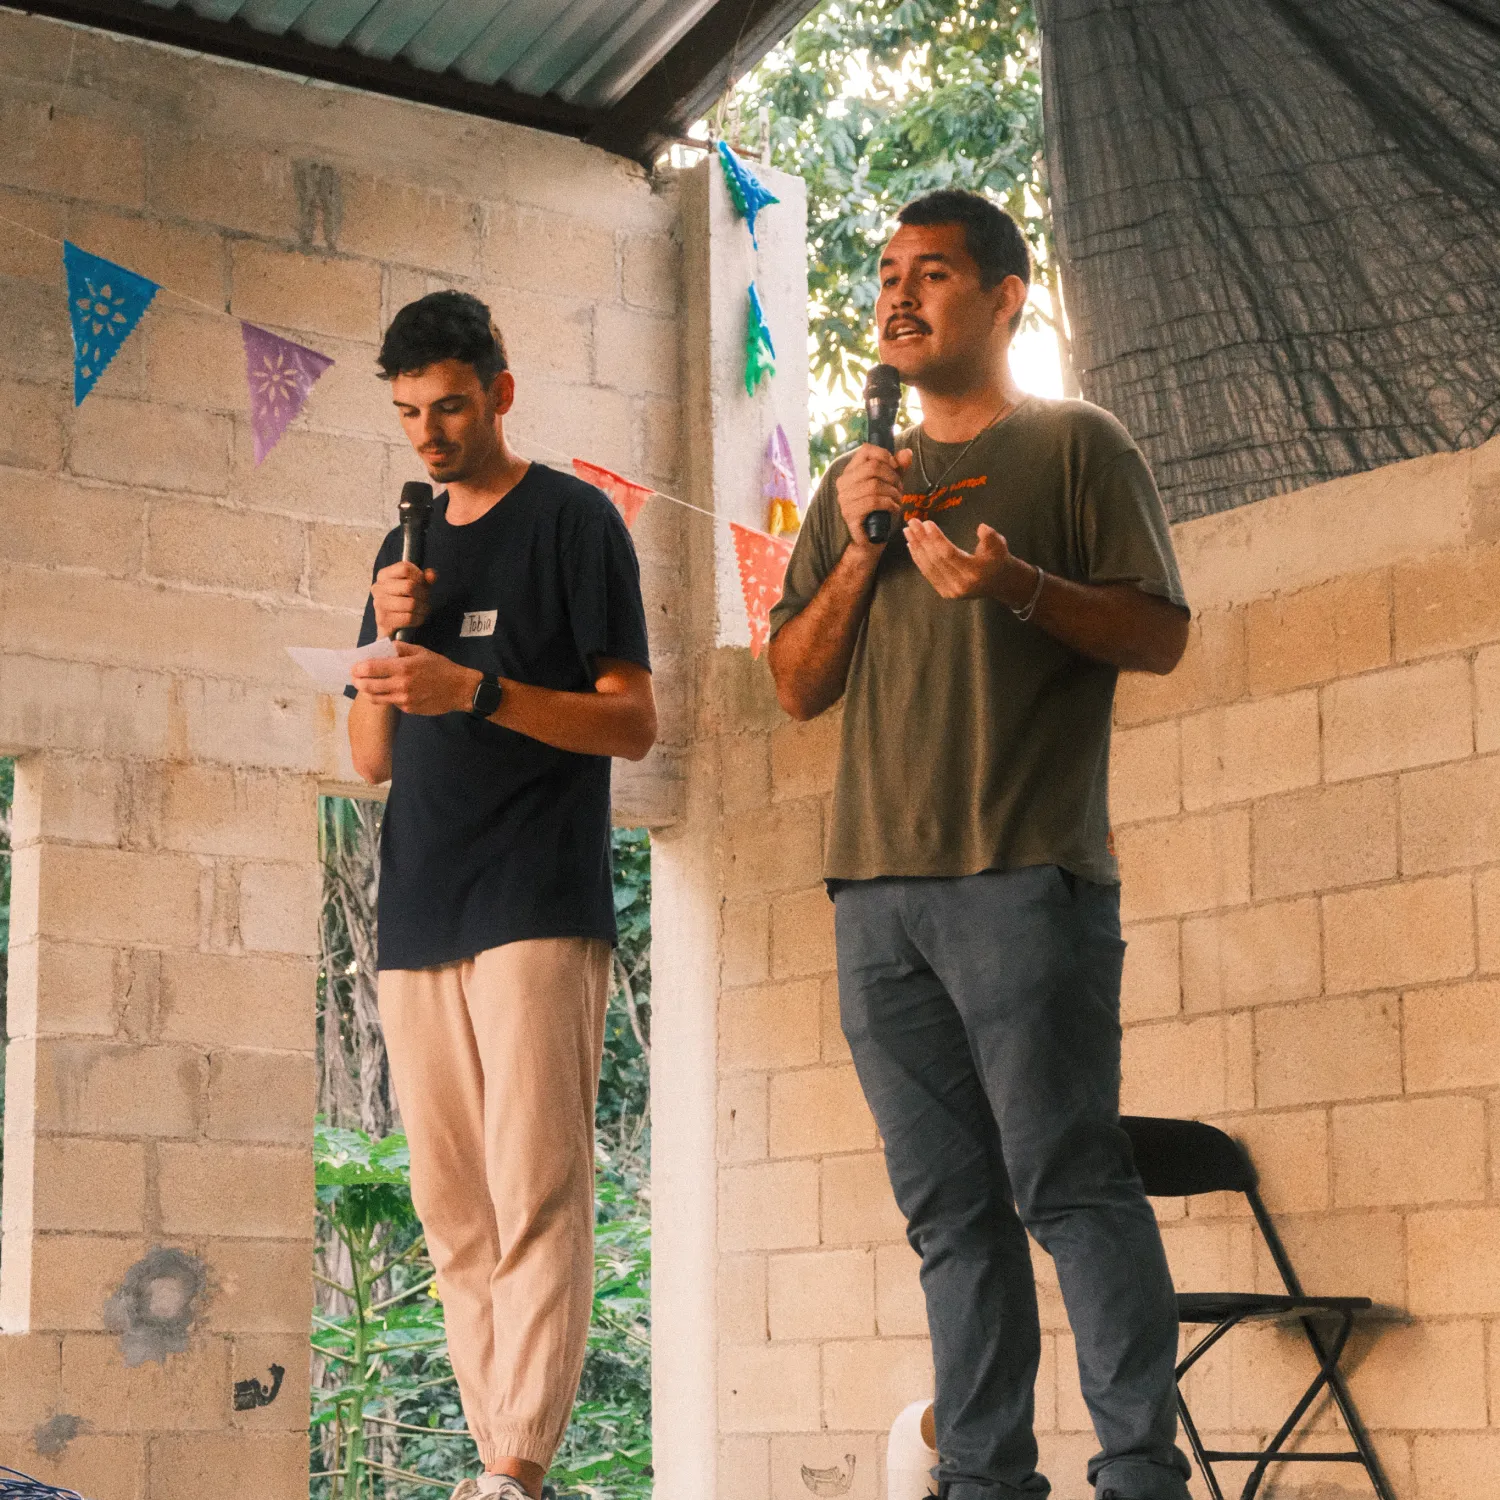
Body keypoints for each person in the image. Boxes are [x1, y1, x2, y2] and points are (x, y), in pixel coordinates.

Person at [767, 190, 1194, 1500]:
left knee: (1069, 1186)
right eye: (886, 274)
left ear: (1007, 297)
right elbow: (793, 683)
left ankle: (1139, 1480)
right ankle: (988, 1483)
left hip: (1026, 875)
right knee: (950, 1220)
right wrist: (857, 547)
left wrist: (1015, 583)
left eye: (934, 272)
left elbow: (1159, 631)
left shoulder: (1077, 446)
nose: (898, 296)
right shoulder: (859, 486)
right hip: (873, 899)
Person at [346, 290, 657, 1500]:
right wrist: (384, 645)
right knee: (451, 1209)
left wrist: (477, 691)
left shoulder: (574, 523)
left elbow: (633, 721)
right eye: (409, 414)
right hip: (419, 901)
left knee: (535, 1187)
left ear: (502, 392)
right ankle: (493, 1465)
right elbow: (369, 762)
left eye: (450, 407)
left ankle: (521, 1466)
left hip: (534, 894)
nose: (428, 435)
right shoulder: (399, 554)